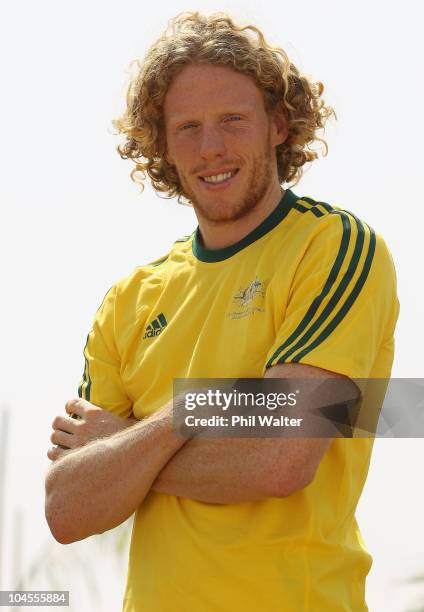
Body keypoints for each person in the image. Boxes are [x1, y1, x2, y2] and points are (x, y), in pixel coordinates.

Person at [45, 11, 400, 612]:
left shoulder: (335, 246)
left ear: (279, 125)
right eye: (187, 127)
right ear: (162, 146)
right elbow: (68, 507)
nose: (211, 148)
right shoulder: (129, 298)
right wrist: (202, 418)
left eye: (232, 120)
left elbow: (278, 460)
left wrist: (143, 435)